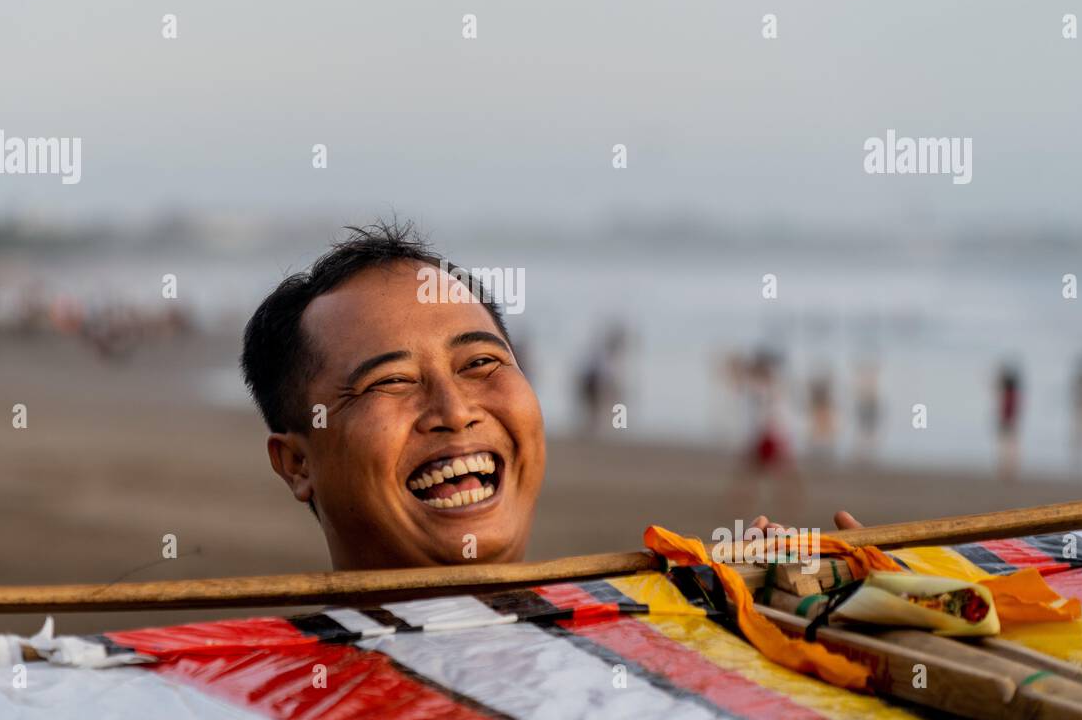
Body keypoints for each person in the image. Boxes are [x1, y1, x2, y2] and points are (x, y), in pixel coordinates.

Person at [240, 221, 858, 571]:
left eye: (481, 363)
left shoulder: (688, 638)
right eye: (392, 381)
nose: (456, 412)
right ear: (298, 463)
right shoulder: (247, 699)